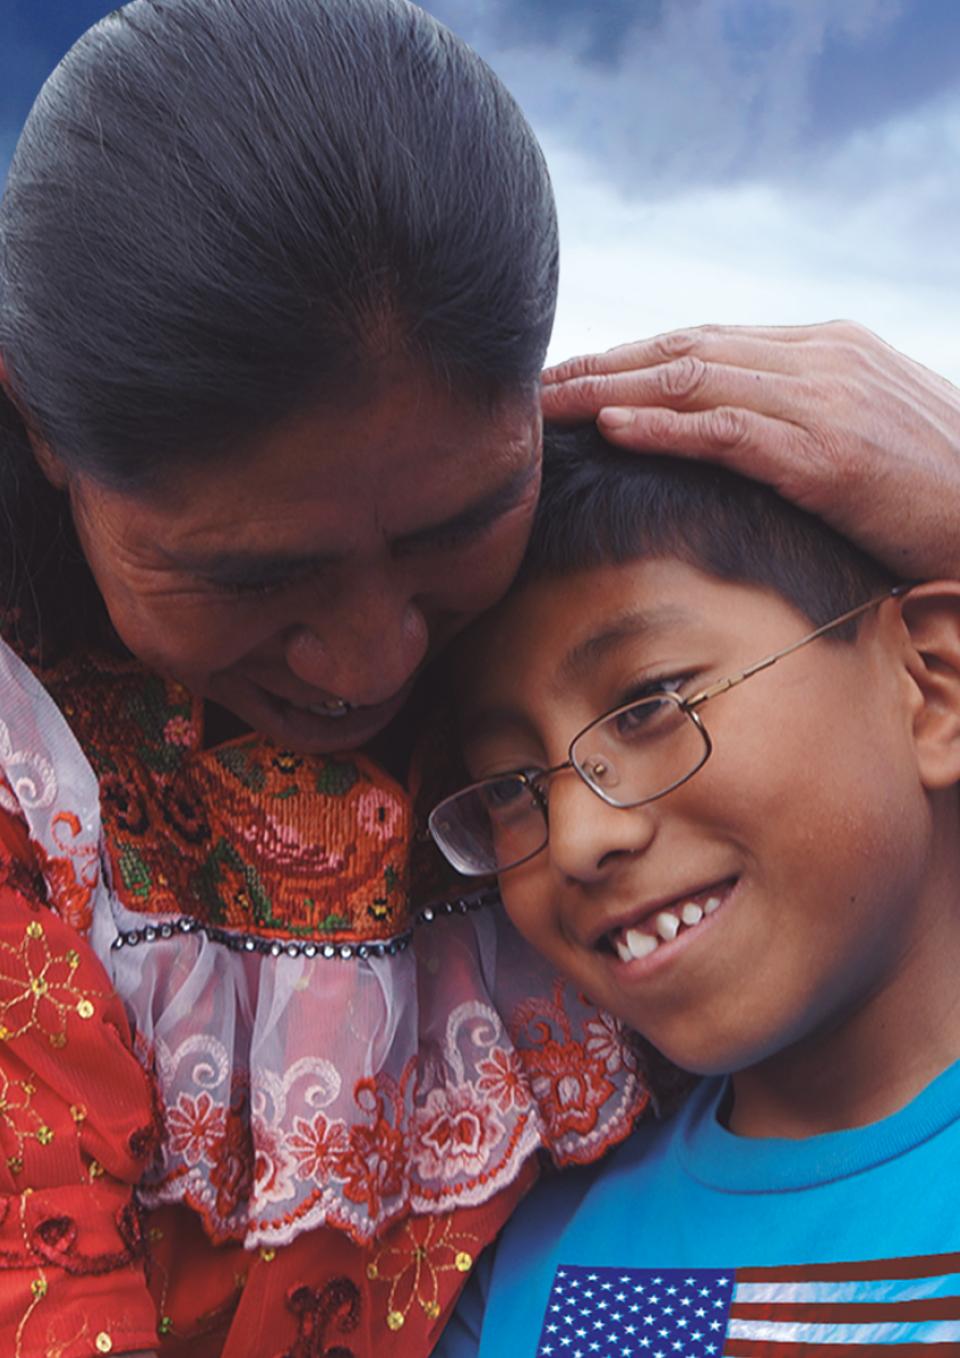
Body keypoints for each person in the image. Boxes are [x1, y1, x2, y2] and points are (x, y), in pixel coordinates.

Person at [1, 0, 960, 1354]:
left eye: (454, 529)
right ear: (43, 432)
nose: (381, 661)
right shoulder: (588, 1286)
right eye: (251, 576)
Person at [429, 423, 960, 1355]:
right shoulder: (542, 1283)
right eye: (512, 787)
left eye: (649, 705)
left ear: (932, 683)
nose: (580, 839)